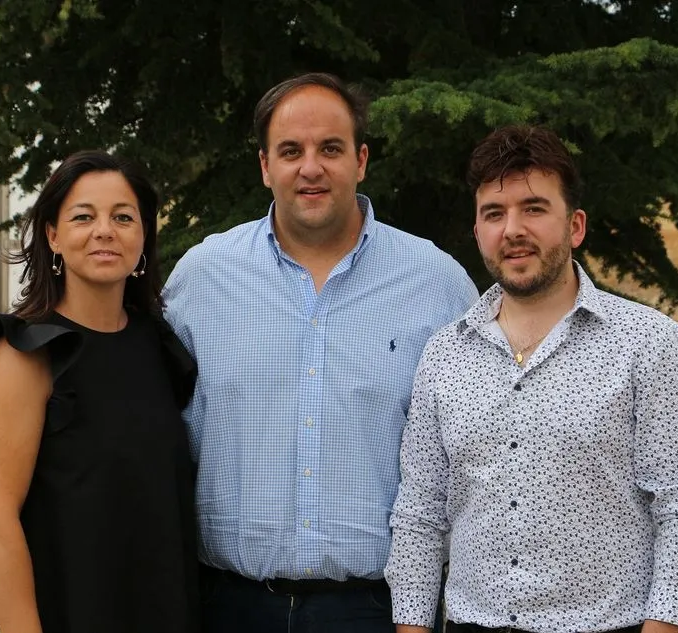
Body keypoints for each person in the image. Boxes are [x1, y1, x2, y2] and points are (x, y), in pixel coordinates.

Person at [161, 72, 478, 633]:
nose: (311, 168)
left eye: (330, 149)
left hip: (380, 612)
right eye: (291, 151)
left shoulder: (436, 284)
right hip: (227, 608)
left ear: (361, 160)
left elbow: (476, 453)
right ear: (265, 167)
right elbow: (156, 434)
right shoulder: (201, 280)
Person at [385, 125, 678, 633]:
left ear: (575, 226)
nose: (512, 229)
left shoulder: (648, 343)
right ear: (477, 231)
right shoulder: (445, 354)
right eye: (494, 214)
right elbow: (420, 515)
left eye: (534, 209)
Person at [0, 150, 199, 633]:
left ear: (144, 235)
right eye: (83, 217)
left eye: (123, 217)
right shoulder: (24, 354)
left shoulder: (160, 346)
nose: (104, 230)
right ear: (53, 236)